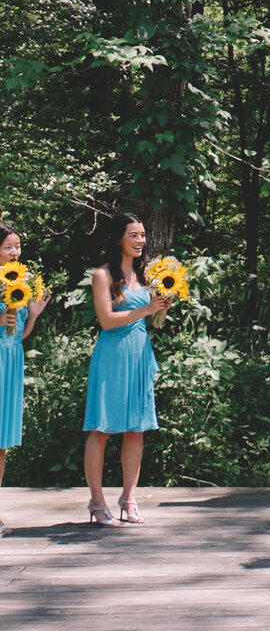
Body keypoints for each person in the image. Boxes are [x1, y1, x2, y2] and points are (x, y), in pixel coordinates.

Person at [83, 213, 169, 525]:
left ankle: (129, 498)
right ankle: (97, 501)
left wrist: (159, 311)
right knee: (102, 428)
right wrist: (145, 309)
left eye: (143, 235)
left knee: (136, 429)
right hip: (112, 356)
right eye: (133, 235)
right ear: (118, 237)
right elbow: (105, 320)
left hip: (139, 353)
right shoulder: (103, 275)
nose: (140, 241)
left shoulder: (147, 275)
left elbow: (153, 322)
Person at [0, 223, 49, 536]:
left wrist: (33, 315)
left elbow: (19, 335)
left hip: (11, 358)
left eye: (17, 246)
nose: (14, 252)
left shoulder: (22, 281)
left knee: (0, 445)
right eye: (7, 247)